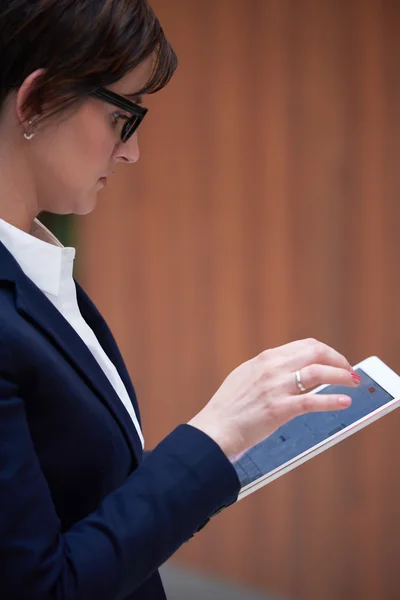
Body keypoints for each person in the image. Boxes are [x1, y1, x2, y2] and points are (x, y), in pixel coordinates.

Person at [0, 1, 361, 599]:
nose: (130, 151)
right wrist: (213, 438)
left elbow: (78, 493)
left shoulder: (36, 271)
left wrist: (234, 440)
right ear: (36, 99)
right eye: (123, 116)